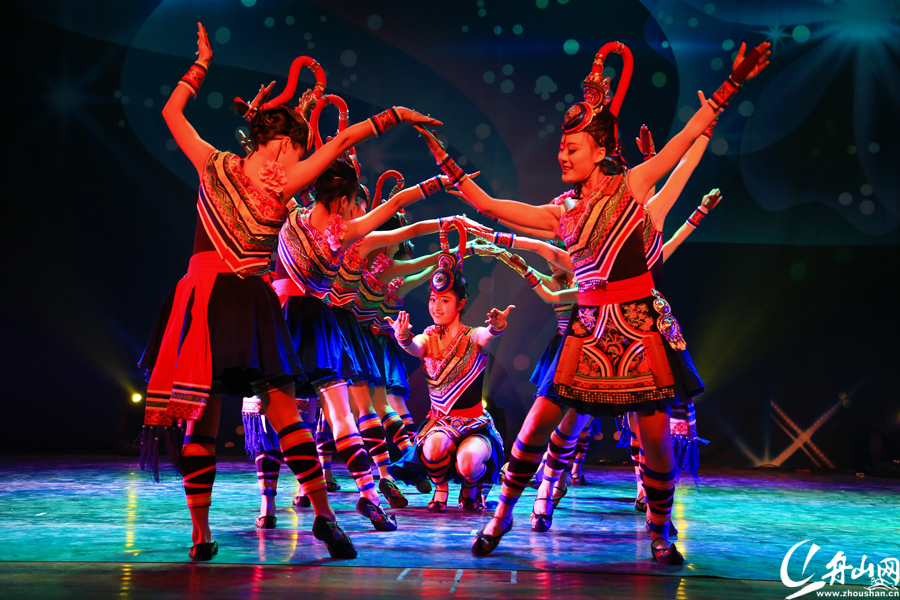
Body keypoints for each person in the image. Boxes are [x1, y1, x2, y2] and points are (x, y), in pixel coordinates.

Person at [415, 39, 770, 563]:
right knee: (536, 426)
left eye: (572, 149)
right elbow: (491, 204)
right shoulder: (562, 211)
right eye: (561, 148)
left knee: (655, 440)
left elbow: (681, 142)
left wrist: (731, 85)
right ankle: (501, 515)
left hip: (636, 325)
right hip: (586, 329)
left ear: (600, 152)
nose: (562, 156)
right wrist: (447, 162)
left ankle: (659, 529)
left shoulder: (633, 186)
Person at [386, 221, 510, 511]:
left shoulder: (472, 336)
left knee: (468, 463)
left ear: (460, 303)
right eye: (433, 299)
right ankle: (440, 489)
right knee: (432, 448)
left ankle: (472, 486)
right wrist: (403, 338)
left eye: (444, 300)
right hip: (440, 424)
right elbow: (414, 346)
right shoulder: (428, 337)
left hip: (474, 424)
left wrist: (497, 328)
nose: (436, 306)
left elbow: (486, 335)